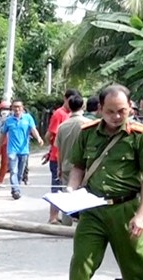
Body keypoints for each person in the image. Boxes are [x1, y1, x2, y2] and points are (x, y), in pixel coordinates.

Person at [64, 84, 143, 280]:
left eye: (122, 111)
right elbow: (78, 166)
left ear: (130, 107)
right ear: (99, 109)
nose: (117, 116)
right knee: (81, 264)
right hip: (92, 209)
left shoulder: (141, 136)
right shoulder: (87, 133)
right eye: (111, 111)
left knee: (134, 267)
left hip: (125, 209)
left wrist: (141, 215)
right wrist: (71, 189)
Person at [49, 93, 86, 224]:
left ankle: (66, 222)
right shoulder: (88, 125)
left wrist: (59, 167)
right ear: (83, 106)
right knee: (84, 194)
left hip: (65, 165)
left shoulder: (62, 126)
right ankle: (83, 223)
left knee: (67, 193)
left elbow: (58, 149)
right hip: (84, 167)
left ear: (69, 107)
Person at [2, 100, 43, 200]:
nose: (17, 109)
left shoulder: (28, 118)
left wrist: (39, 138)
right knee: (13, 171)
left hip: (24, 150)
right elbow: (2, 134)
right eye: (15, 107)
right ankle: (16, 190)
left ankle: (16, 187)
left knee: (20, 172)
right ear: (12, 108)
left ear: (22, 108)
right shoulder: (8, 121)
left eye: (19, 107)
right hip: (12, 150)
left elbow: (33, 129)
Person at [45, 89, 80, 193]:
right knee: (57, 192)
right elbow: (48, 136)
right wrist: (54, 148)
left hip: (70, 158)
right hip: (57, 158)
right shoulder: (59, 114)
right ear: (65, 99)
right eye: (70, 100)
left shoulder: (72, 114)